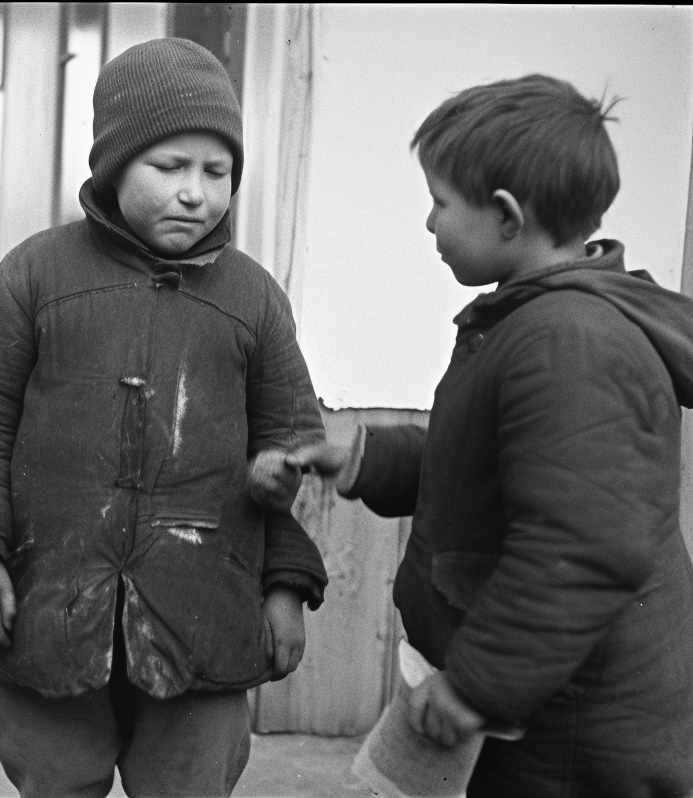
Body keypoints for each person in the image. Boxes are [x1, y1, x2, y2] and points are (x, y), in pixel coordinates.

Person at [0, 38, 327, 798]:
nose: (196, 193)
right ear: (113, 167)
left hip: (205, 611)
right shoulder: (34, 274)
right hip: (49, 605)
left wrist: (286, 583)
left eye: (217, 172)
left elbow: (293, 445)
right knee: (55, 775)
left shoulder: (255, 298)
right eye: (169, 167)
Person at [288, 74, 693, 797]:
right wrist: (362, 459)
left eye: (441, 203)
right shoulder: (529, 321)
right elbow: (484, 466)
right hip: (538, 705)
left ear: (507, 216)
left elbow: (580, 547)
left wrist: (479, 687)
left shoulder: (568, 343)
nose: (429, 224)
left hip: (569, 734)